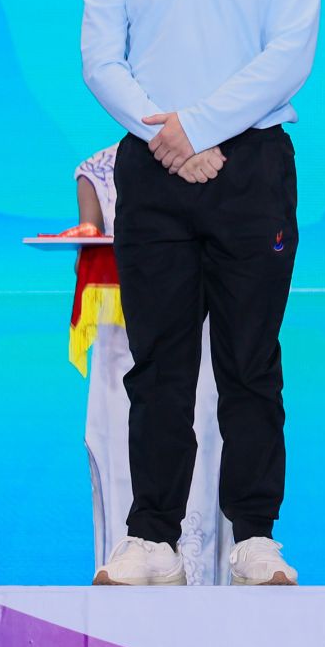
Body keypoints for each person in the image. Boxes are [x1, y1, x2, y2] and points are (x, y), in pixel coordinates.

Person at [80, 0, 320, 586]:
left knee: (250, 360)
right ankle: (152, 537)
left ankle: (254, 536)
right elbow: (100, 60)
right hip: (152, 166)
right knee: (159, 360)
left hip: (251, 166)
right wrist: (168, 133)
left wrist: (202, 128)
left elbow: (288, 56)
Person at [63, 147, 232, 585]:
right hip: (127, 342)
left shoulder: (224, 151)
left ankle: (209, 576)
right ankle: (136, 549)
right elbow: (89, 230)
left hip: (205, 334)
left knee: (209, 442)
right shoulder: (103, 166)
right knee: (129, 442)